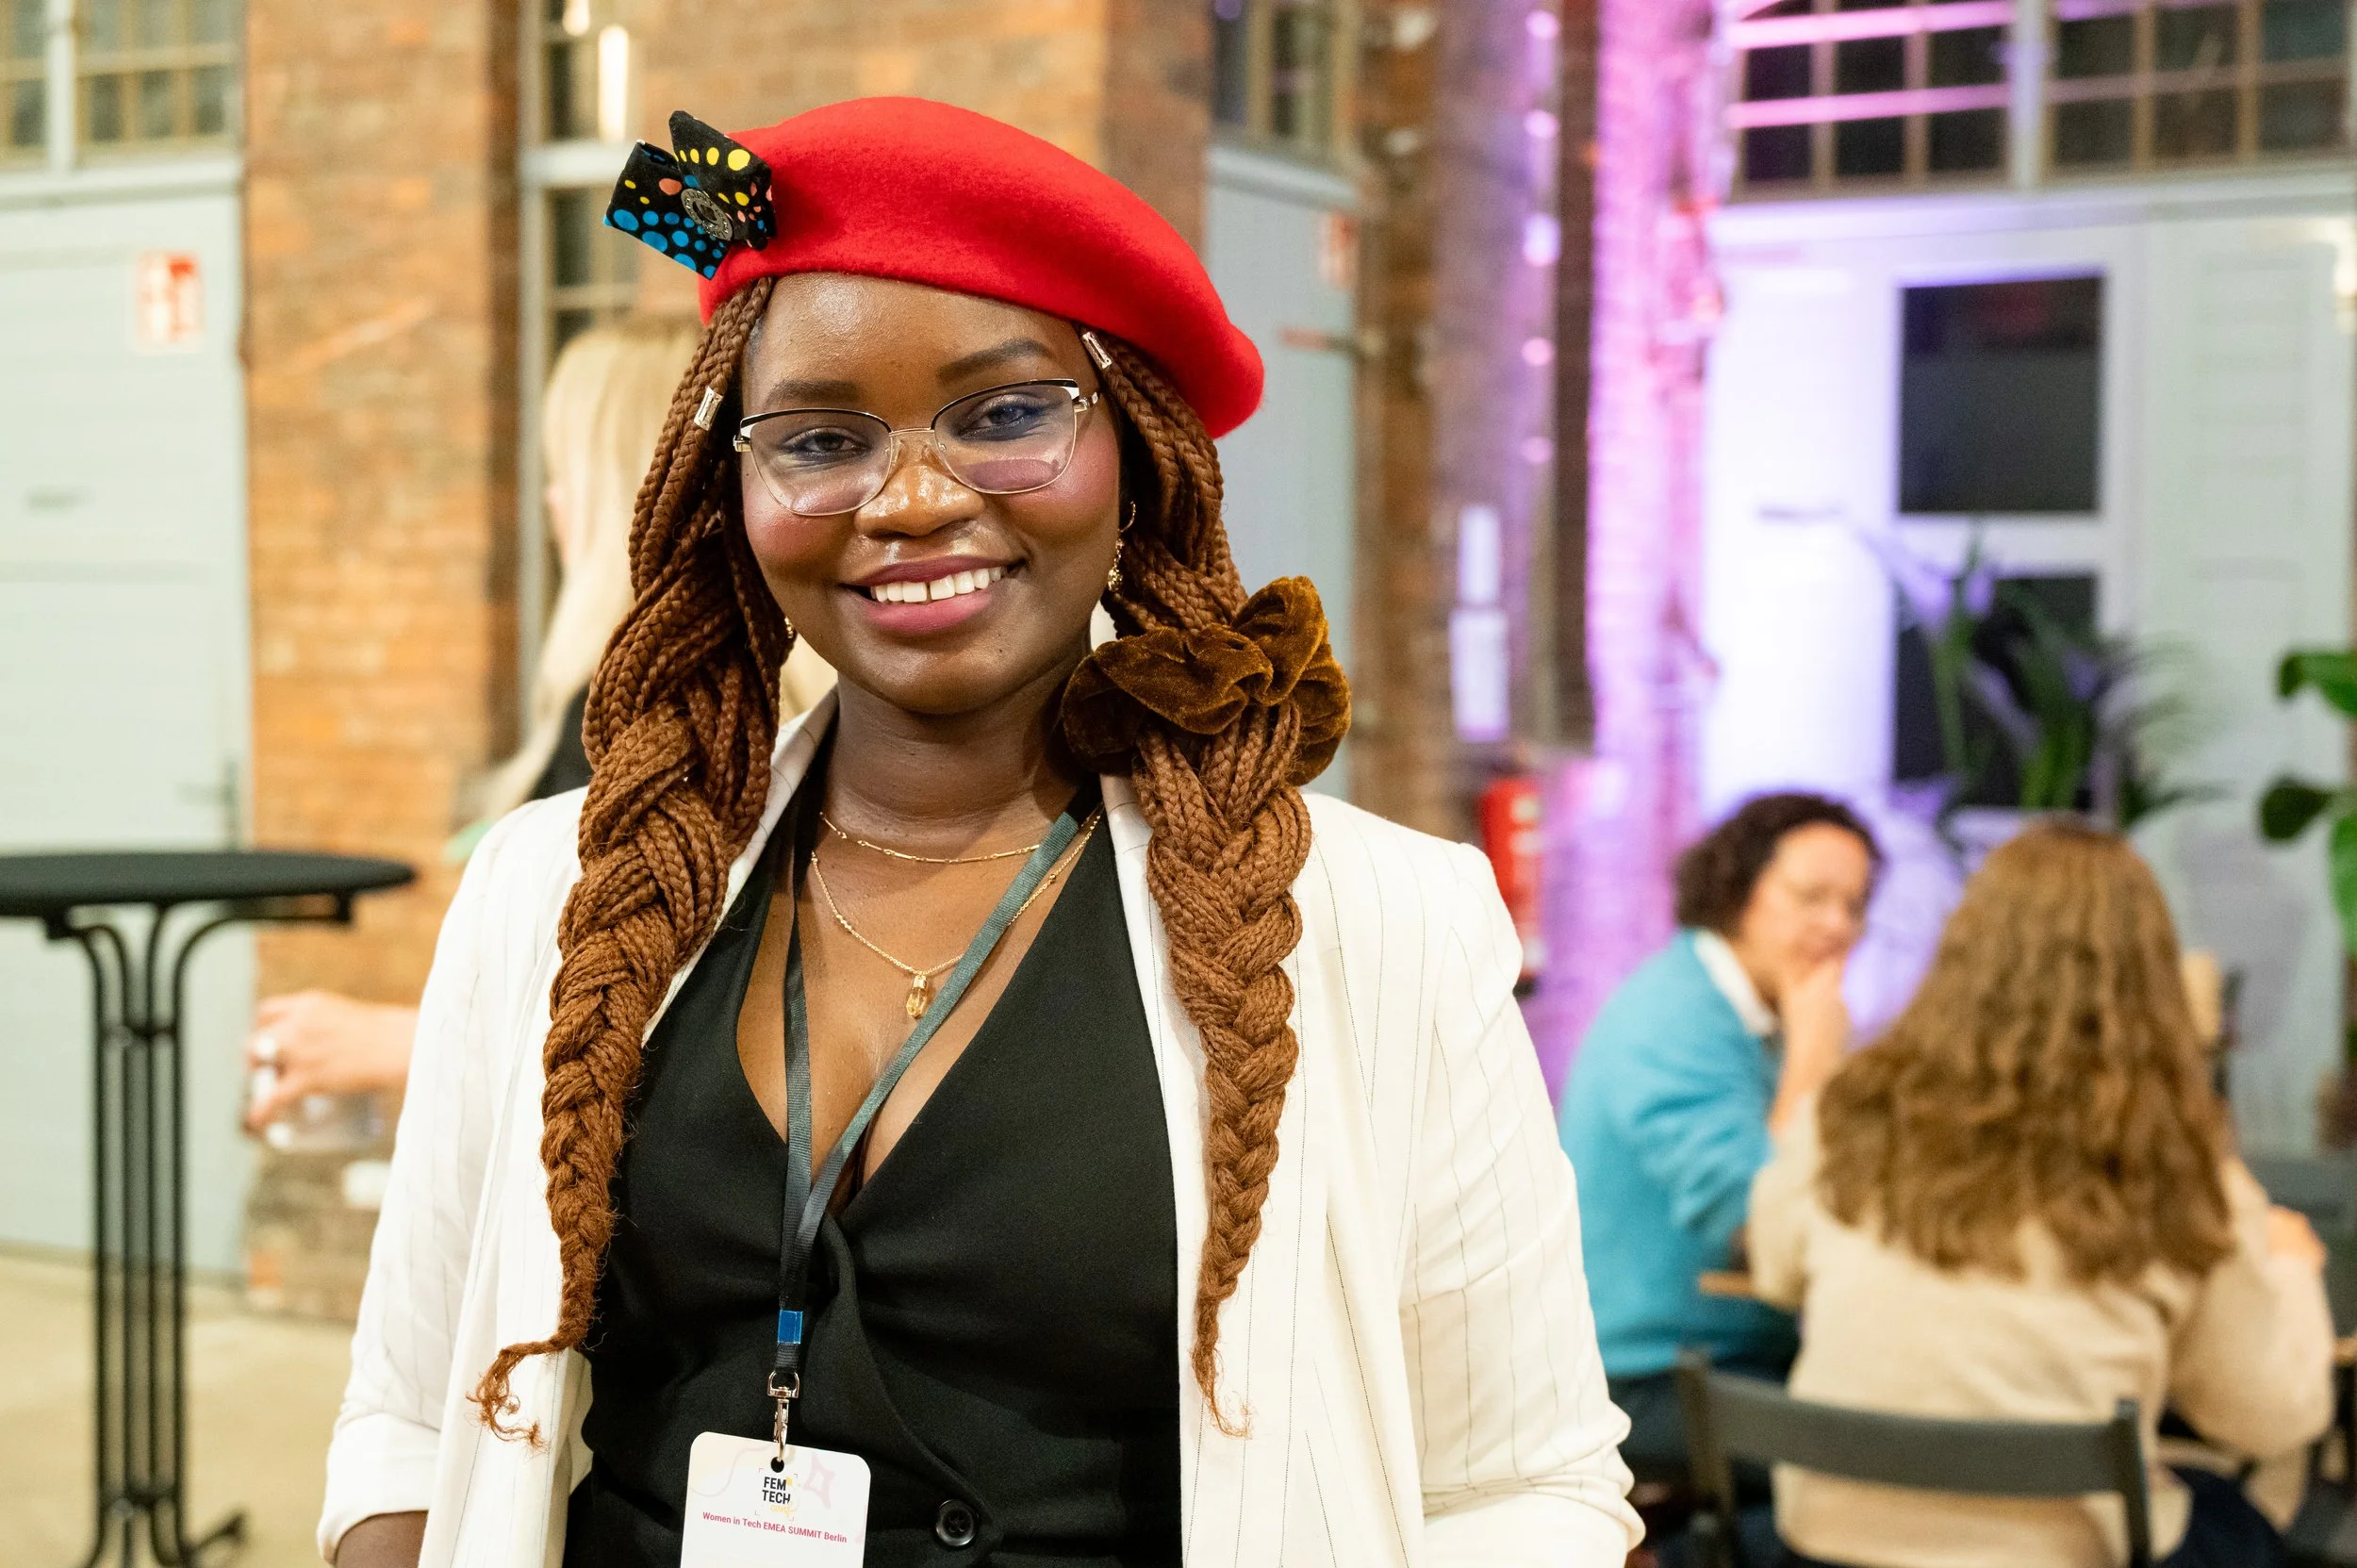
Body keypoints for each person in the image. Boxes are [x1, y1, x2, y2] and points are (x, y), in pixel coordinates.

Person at [321, 97, 1640, 1568]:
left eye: (1006, 414)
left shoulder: (1381, 924)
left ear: (1135, 453)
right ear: (731, 490)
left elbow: (1524, 1487)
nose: (912, 499)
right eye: (821, 437)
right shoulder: (552, 887)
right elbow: (409, 1423)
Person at [242, 319, 832, 1130]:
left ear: (618, 491)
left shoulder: (648, 730)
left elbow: (652, 1015)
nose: (551, 503)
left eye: (562, 475)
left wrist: (393, 1043)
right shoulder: (791, 715)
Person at [1750, 818, 2332, 1568]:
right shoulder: (2174, 1166)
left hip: (1827, 1549)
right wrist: (2291, 1265)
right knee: (2235, 1517)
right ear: (2149, 979)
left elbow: (1774, 1269)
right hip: (2064, 1552)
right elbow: (2270, 1414)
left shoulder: (1852, 1116)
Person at [1556, 792, 1879, 1476]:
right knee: (1887, 1462)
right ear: (1737, 892)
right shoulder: (1675, 1017)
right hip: (1643, 1376)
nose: (1838, 925)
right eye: (1812, 897)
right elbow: (1758, 1218)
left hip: (1735, 1356)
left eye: (1854, 905)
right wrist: (1813, 1059)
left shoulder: (1752, 1011)